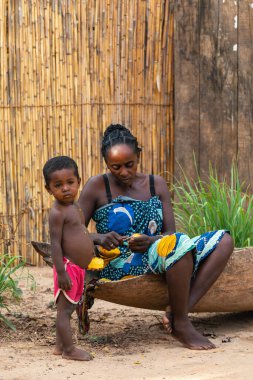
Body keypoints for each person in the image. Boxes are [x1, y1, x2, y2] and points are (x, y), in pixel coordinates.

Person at [79, 124, 234, 350]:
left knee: (224, 240)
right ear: (106, 165)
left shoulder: (156, 184)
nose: (123, 172)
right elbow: (74, 232)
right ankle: (181, 324)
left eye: (129, 165)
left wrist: (151, 241)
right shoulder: (97, 186)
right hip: (117, 262)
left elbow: (169, 232)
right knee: (178, 244)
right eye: (115, 167)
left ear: (139, 156)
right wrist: (99, 237)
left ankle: (178, 313)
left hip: (155, 255)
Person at [43, 156, 94, 361]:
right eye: (58, 185)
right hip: (68, 268)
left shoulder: (76, 207)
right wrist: (61, 272)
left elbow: (80, 233)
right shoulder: (57, 213)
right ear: (49, 189)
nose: (65, 188)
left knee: (69, 308)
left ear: (79, 182)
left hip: (78, 268)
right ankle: (69, 350)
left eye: (70, 183)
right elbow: (55, 244)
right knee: (64, 311)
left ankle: (58, 346)